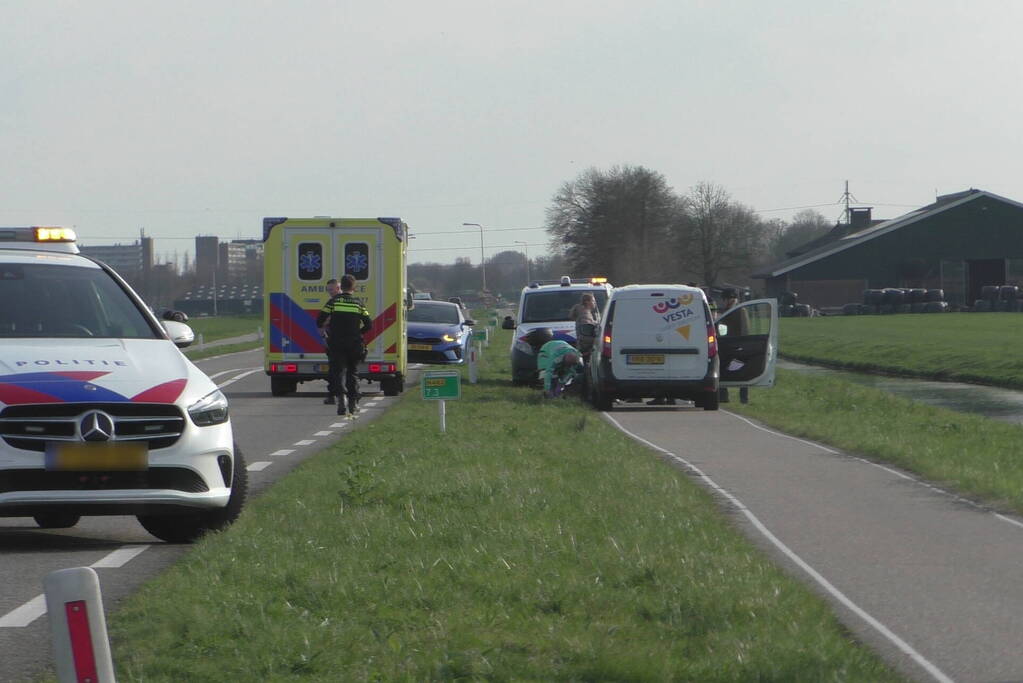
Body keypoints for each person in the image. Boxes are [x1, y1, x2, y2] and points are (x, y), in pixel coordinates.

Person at [317, 274, 372, 417]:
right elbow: (369, 324)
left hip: (336, 343)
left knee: (337, 372)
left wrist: (329, 324)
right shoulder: (358, 303)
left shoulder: (333, 302)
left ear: (341, 286)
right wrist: (358, 333)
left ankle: (341, 400)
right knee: (352, 373)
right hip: (354, 344)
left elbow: (319, 320)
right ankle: (353, 405)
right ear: (354, 287)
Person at [716, 288, 750, 404]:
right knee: (722, 369)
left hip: (738, 344)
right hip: (727, 344)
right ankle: (723, 396)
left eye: (725, 299)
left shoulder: (740, 310)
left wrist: (743, 345)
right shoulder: (726, 310)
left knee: (742, 371)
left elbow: (744, 329)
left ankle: (743, 398)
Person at [319, 279, 342, 404]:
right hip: (349, 341)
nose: (330, 293)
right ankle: (352, 397)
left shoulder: (332, 303)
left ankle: (333, 395)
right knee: (350, 370)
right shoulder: (354, 302)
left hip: (334, 341)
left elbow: (321, 320)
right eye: (328, 290)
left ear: (338, 288)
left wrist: (325, 325)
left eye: (331, 290)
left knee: (334, 370)